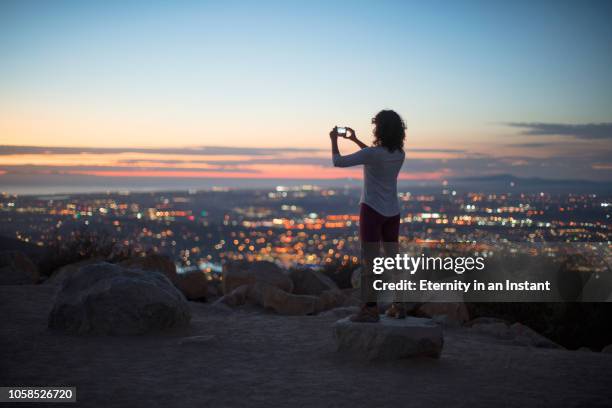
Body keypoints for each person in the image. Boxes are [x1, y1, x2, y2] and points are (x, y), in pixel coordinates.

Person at [329, 110, 406, 322]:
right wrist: (354, 139)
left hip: (372, 209)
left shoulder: (374, 154)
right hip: (393, 212)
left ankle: (370, 310)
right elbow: (372, 155)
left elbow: (338, 161)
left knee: (369, 261)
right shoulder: (399, 154)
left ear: (379, 129)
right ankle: (398, 306)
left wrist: (334, 140)